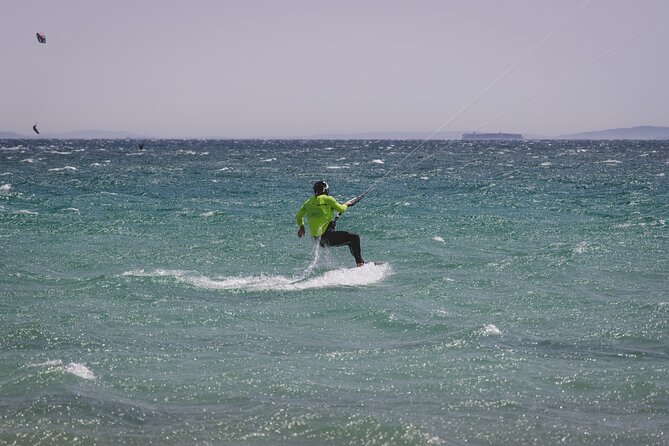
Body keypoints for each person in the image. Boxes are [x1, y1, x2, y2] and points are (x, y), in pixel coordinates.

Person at [296, 180, 365, 267]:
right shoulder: (328, 199)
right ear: (325, 190)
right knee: (354, 237)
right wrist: (347, 204)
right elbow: (342, 209)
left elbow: (298, 216)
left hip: (318, 240)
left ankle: (361, 262)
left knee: (350, 241)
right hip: (327, 237)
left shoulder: (308, 202)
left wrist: (301, 227)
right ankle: (360, 264)